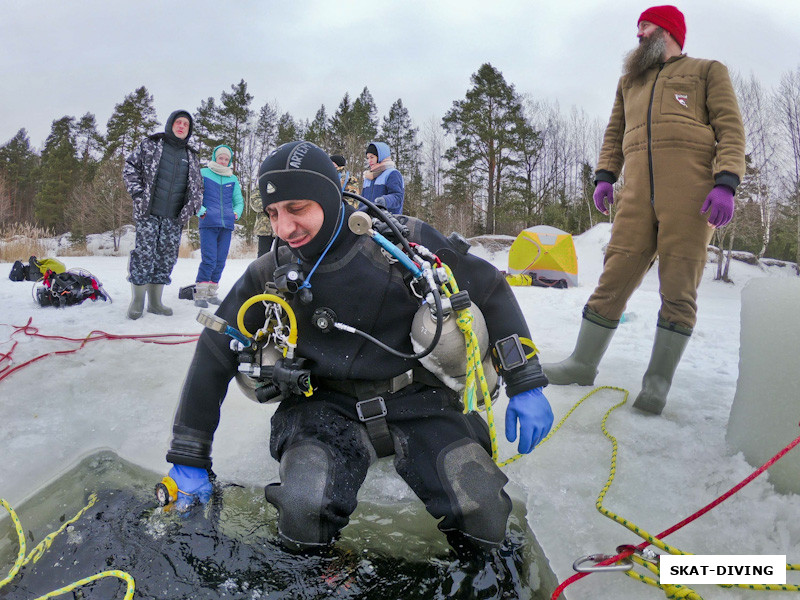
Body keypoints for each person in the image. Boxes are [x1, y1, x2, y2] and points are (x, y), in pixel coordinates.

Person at [162, 141, 553, 554]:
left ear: (330, 199)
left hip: (418, 400)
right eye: (273, 213)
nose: (283, 228)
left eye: (297, 208)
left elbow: (490, 288)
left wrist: (525, 380)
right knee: (303, 510)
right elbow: (217, 345)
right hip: (321, 407)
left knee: (483, 513)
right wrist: (189, 454)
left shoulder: (402, 242)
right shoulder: (270, 271)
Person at [542, 5, 745, 415]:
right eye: (638, 27)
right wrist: (604, 176)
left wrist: (726, 182)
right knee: (613, 275)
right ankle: (582, 363)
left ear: (667, 31)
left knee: (678, 286)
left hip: (690, 197)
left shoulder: (708, 71)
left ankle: (656, 384)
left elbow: (730, 128)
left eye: (646, 26)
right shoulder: (628, 82)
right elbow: (614, 133)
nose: (638, 34)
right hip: (635, 196)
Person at [123, 110, 203, 319]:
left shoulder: (192, 156)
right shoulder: (151, 144)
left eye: (186, 124)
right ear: (170, 124)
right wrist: (138, 194)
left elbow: (198, 187)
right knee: (144, 255)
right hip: (149, 213)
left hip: (174, 218)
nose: (182, 126)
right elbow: (130, 166)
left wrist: (193, 205)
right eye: (178, 122)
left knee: (166, 258)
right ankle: (137, 301)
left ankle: (156, 302)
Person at [194, 144, 244, 308]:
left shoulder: (233, 178)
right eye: (221, 158)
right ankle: (200, 294)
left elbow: (239, 201)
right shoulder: (203, 173)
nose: (223, 161)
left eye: (226, 159)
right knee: (209, 259)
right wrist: (201, 211)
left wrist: (235, 213)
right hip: (208, 223)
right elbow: (194, 194)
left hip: (226, 225)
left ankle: (211, 293)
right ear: (215, 157)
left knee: (220, 261)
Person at [360, 141, 404, 214]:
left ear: (380, 156)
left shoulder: (392, 174)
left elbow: (398, 197)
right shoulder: (368, 177)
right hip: (369, 221)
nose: (369, 161)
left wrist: (385, 200)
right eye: (367, 158)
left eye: (372, 157)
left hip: (388, 220)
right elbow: (362, 202)